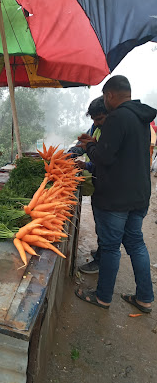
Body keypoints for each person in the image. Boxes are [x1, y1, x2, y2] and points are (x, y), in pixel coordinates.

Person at [75, 75, 156, 312]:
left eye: (104, 97)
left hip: (116, 197)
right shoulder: (141, 119)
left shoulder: (117, 117)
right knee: (136, 244)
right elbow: (119, 153)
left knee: (110, 248)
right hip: (138, 194)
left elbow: (103, 157)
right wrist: (94, 143)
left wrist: (89, 146)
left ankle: (102, 297)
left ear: (109, 95)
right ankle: (144, 298)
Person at [69, 96, 108, 273]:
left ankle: (101, 259)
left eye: (99, 119)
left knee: (106, 227)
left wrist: (88, 163)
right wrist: (70, 154)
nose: (96, 123)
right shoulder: (95, 128)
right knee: (100, 224)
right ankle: (101, 252)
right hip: (99, 181)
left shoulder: (112, 131)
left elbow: (105, 160)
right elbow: (83, 144)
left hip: (109, 185)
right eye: (94, 120)